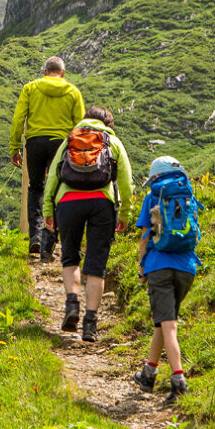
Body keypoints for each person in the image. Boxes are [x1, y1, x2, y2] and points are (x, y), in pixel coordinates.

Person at [43, 106, 133, 342]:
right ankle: (90, 323)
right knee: (96, 264)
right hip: (102, 203)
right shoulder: (112, 141)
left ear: (84, 121)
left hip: (68, 202)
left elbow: (53, 175)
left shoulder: (69, 140)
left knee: (70, 256)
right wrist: (124, 215)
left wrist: (48, 210)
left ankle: (72, 304)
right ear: (108, 123)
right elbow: (126, 182)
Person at [133, 156, 201, 403]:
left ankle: (178, 379)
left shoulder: (153, 197)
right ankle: (149, 373)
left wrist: (142, 268)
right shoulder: (186, 195)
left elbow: (144, 237)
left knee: (168, 324)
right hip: (187, 267)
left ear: (155, 177)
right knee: (164, 321)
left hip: (159, 267)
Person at [9, 56, 85, 258]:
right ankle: (49, 241)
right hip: (61, 144)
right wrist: (77, 153)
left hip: (34, 143)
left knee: (36, 187)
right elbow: (80, 126)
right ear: (62, 73)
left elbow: (18, 119)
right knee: (58, 189)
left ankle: (35, 237)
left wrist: (14, 147)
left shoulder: (30, 88)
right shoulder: (72, 92)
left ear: (44, 72)